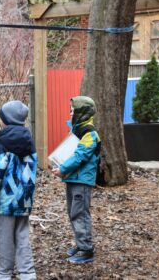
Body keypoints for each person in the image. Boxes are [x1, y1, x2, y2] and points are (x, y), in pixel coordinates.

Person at [0, 100, 38, 280]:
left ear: (6, 119)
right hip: (24, 198)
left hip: (5, 199)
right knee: (22, 234)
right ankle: (27, 273)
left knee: (4, 236)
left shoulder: (1, 140)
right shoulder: (29, 139)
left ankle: (4, 274)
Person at [52, 96, 101, 264]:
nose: (70, 113)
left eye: (73, 110)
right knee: (73, 212)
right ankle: (81, 245)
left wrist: (63, 169)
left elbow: (80, 156)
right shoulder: (77, 130)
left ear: (82, 112)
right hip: (73, 179)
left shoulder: (90, 134)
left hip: (82, 181)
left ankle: (86, 249)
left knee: (80, 213)